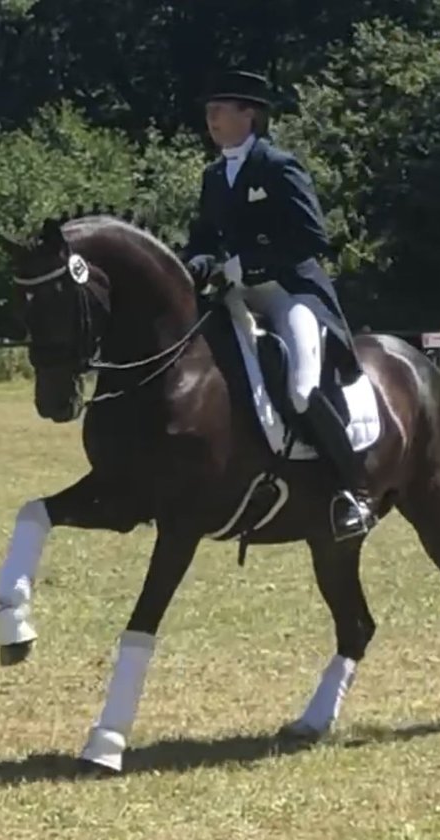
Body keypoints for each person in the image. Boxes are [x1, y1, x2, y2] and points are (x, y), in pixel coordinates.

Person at [183, 70, 375, 540]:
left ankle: (355, 492)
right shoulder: (214, 176)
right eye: (208, 111)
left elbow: (312, 237)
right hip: (234, 294)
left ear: (250, 114)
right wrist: (200, 261)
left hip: (290, 291)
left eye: (220, 109)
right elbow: (203, 238)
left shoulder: (278, 165)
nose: (211, 118)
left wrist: (247, 261)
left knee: (303, 389)